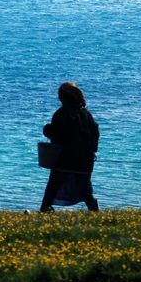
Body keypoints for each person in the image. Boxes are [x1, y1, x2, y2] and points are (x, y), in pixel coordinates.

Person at [39, 82, 100, 212]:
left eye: (59, 96)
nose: (58, 99)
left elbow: (58, 136)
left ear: (64, 97)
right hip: (85, 160)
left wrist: (47, 130)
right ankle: (95, 210)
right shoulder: (86, 113)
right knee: (85, 189)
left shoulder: (61, 114)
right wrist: (93, 151)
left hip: (65, 159)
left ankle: (45, 209)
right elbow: (95, 132)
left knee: (53, 186)